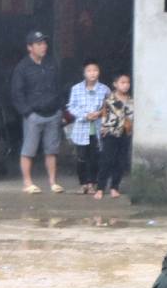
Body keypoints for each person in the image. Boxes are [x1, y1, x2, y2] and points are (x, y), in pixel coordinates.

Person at [10, 31, 67, 194]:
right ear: (30, 47)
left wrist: (59, 108)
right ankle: (27, 183)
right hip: (34, 115)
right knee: (29, 150)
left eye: (44, 43)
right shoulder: (22, 67)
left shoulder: (50, 64)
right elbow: (17, 94)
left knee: (52, 150)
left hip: (53, 113)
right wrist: (28, 113)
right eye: (39, 44)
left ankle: (53, 182)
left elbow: (58, 86)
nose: (43, 47)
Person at [65, 61, 110, 194]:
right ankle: (83, 183)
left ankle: (92, 183)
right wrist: (85, 115)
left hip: (97, 128)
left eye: (95, 70)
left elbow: (110, 106)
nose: (92, 73)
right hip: (81, 128)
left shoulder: (104, 89)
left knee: (95, 157)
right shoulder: (76, 89)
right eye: (89, 70)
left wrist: (100, 112)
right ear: (84, 73)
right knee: (81, 157)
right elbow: (71, 106)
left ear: (99, 72)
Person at [97, 73, 135, 199]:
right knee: (107, 160)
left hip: (125, 133)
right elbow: (104, 116)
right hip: (110, 133)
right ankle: (100, 188)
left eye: (127, 83)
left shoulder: (130, 100)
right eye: (122, 83)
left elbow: (131, 117)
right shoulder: (109, 100)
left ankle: (114, 187)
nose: (125, 85)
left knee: (120, 161)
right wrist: (104, 129)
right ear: (115, 84)